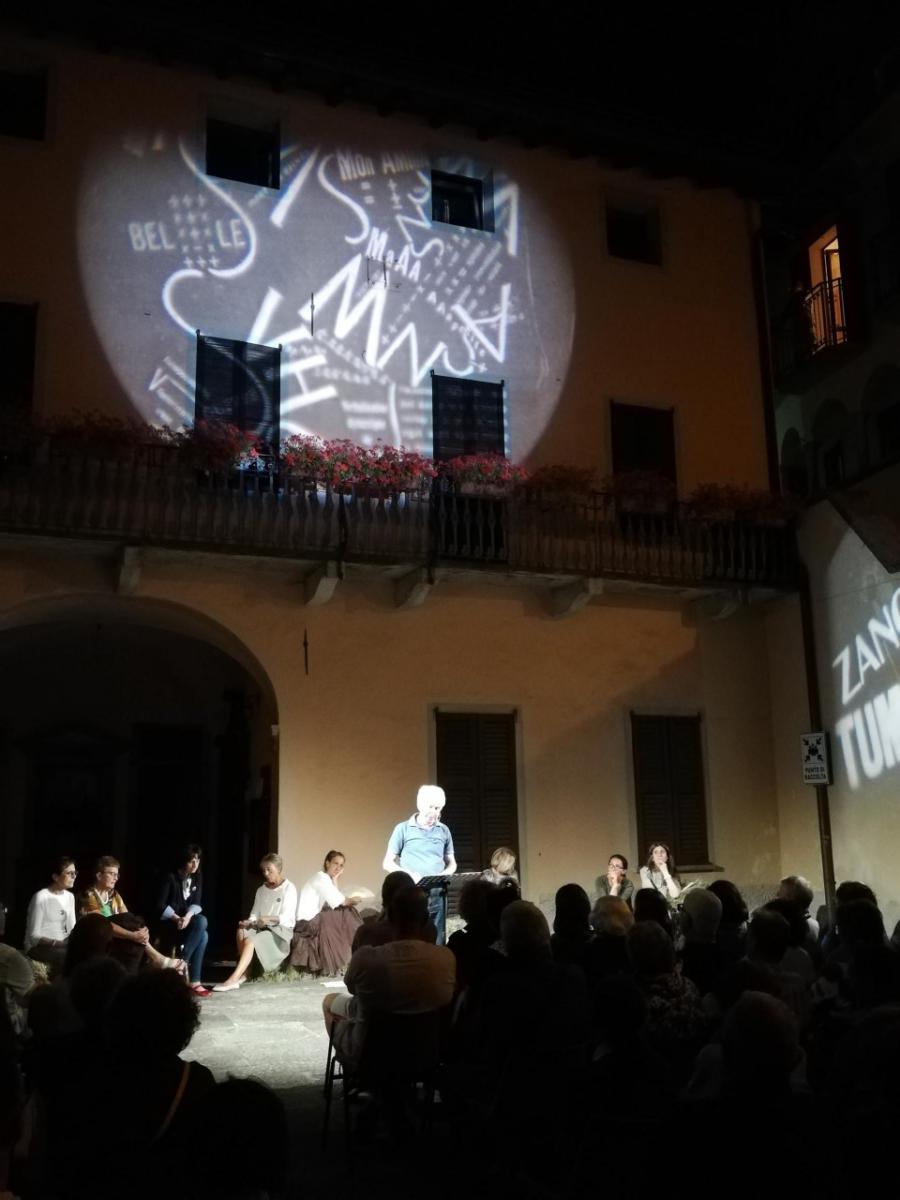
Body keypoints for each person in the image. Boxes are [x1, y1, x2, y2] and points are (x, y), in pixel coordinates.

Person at [323, 886, 456, 1070]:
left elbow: (352, 989)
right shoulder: (445, 958)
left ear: (389, 917)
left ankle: (352, 1073)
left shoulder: (366, 958)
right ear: (426, 919)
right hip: (425, 1054)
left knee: (329, 1002)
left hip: (371, 1054)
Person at [78, 856, 183, 974]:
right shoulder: (88, 896)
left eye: (117, 875)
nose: (115, 878)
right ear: (99, 875)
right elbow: (102, 925)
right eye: (112, 874)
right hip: (97, 940)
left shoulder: (114, 895)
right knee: (131, 932)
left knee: (134, 926)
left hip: (116, 940)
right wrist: (132, 935)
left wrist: (143, 931)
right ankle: (155, 958)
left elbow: (130, 919)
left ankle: (135, 975)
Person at [383, 784, 457, 944]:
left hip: (437, 892)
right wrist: (409, 876)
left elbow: (452, 863)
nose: (434, 812)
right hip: (411, 892)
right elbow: (387, 863)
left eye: (438, 808)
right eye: (431, 807)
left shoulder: (444, 830)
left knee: (437, 937)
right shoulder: (403, 829)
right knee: (410, 935)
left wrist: (445, 873)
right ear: (420, 805)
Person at [214, 853, 298, 992]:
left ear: (278, 869)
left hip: (280, 931)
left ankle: (233, 979)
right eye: (264, 870)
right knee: (241, 932)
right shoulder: (261, 890)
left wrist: (267, 918)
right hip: (262, 928)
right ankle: (245, 974)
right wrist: (248, 922)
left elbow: (287, 917)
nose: (266, 873)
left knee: (250, 941)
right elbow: (254, 914)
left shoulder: (289, 888)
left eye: (269, 870)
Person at [291, 850, 363, 976]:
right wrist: (354, 900)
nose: (338, 868)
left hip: (314, 918)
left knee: (343, 914)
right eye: (335, 863)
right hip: (306, 922)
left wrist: (335, 879)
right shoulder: (321, 877)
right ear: (327, 863)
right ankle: (357, 946)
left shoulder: (326, 879)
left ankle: (352, 951)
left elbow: (335, 899)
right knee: (348, 912)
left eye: (341, 865)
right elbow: (341, 901)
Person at [156, 844, 209, 996]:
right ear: (183, 861)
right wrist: (177, 918)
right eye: (192, 861)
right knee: (204, 935)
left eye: (197, 860)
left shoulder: (197, 876)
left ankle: (181, 962)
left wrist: (187, 917)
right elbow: (160, 905)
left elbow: (197, 903)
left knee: (202, 921)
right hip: (170, 924)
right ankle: (194, 980)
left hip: (186, 922)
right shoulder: (170, 877)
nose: (195, 864)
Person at [24, 856, 78, 976]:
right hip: (37, 947)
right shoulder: (41, 897)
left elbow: (72, 929)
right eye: (69, 873)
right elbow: (34, 937)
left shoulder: (70, 897)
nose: (74, 876)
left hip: (61, 945)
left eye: (75, 873)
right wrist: (60, 944)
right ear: (55, 877)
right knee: (65, 956)